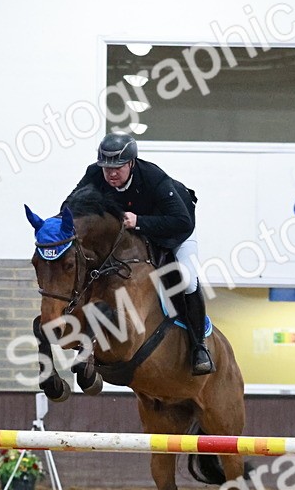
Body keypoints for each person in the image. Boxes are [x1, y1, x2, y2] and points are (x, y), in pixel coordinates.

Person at [69, 132, 214, 375]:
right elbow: (71, 205)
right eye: (106, 168)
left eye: (118, 167)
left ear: (131, 163)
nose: (111, 173)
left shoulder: (153, 178)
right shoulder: (94, 175)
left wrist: (139, 222)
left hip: (173, 230)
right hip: (132, 236)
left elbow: (181, 222)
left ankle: (199, 346)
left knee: (187, 280)